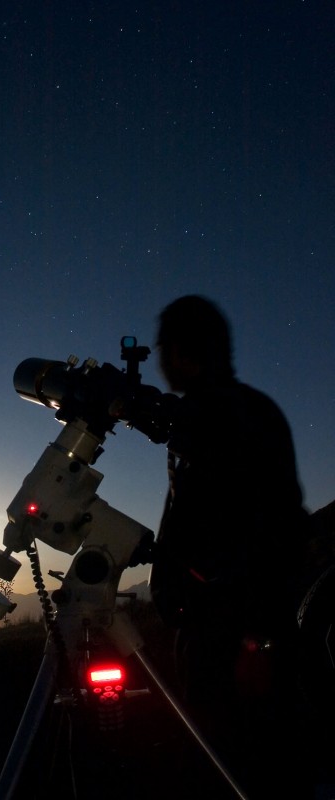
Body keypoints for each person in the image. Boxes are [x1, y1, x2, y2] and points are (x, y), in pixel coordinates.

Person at [147, 296, 314, 797]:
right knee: (217, 758)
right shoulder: (206, 415)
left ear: (181, 350)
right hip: (206, 626)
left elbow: (278, 530)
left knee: (242, 766)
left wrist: (258, 641)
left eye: (163, 349)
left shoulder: (234, 415)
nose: (158, 360)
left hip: (235, 635)